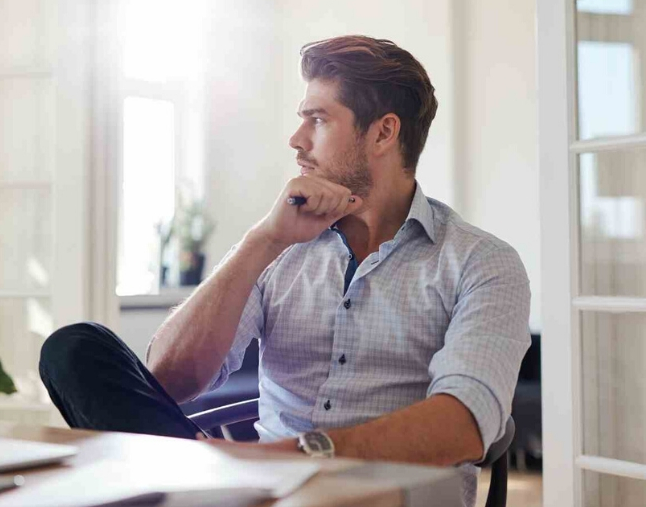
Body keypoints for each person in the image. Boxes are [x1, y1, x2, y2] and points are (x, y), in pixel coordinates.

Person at [39, 35, 530, 507]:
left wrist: (277, 459)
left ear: (383, 132)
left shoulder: (481, 262)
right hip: (254, 495)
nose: (296, 140)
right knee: (74, 348)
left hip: (379, 500)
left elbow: (463, 424)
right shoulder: (280, 245)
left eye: (317, 119)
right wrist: (262, 242)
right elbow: (166, 380)